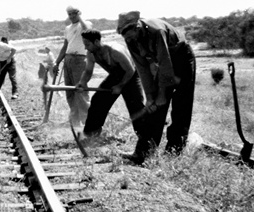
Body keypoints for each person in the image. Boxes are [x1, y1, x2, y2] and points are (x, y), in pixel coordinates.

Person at [118, 11, 196, 156]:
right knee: (154, 109)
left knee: (181, 105)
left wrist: (161, 94)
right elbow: (142, 69)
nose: (128, 39)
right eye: (124, 36)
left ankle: (174, 151)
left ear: (137, 28)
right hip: (162, 62)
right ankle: (143, 153)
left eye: (129, 35)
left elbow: (165, 63)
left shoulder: (157, 31)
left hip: (181, 58)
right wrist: (150, 96)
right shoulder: (130, 40)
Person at [74, 29, 153, 160]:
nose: (85, 47)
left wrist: (120, 86)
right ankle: (90, 135)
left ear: (97, 41)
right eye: (84, 44)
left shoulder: (115, 51)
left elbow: (130, 70)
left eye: (87, 43)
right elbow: (88, 71)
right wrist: (82, 82)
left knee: (136, 108)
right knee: (98, 101)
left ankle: (145, 142)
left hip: (131, 76)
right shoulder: (91, 53)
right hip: (115, 76)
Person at [53, 6, 92, 132]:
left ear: (79, 13)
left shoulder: (85, 24)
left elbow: (87, 31)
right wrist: (57, 62)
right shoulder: (67, 28)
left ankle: (88, 123)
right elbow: (65, 46)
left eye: (74, 13)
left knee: (80, 91)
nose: (72, 16)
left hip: (79, 59)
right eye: (69, 14)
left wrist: (79, 16)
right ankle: (75, 123)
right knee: (69, 92)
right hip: (68, 60)